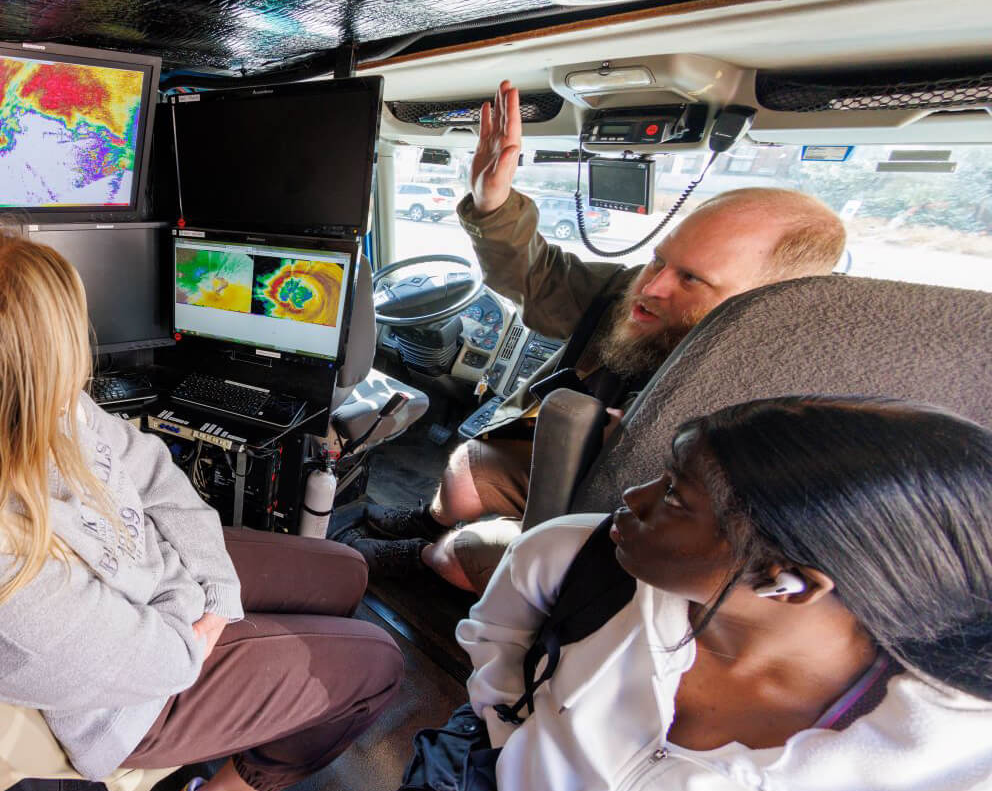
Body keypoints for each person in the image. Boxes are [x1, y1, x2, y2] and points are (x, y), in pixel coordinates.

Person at [0, 224, 404, 791]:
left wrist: (217, 591)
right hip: (139, 702)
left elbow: (149, 470)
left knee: (346, 574)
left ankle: (274, 678)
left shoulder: (49, 411)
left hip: (168, 602)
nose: (80, 375)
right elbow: (169, 659)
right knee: (377, 665)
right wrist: (195, 601)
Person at [339, 396, 992, 791]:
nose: (633, 497)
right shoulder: (574, 557)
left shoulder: (952, 776)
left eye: (675, 497)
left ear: (787, 579)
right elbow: (497, 642)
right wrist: (512, 737)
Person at [345, 81, 847, 594]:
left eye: (691, 279)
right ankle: (430, 525)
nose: (650, 287)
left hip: (638, 523)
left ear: (768, 298)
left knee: (460, 554)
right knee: (464, 466)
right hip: (575, 464)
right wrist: (492, 204)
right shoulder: (629, 291)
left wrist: (646, 444)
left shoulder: (786, 391)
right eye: (659, 258)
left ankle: (432, 561)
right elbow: (538, 277)